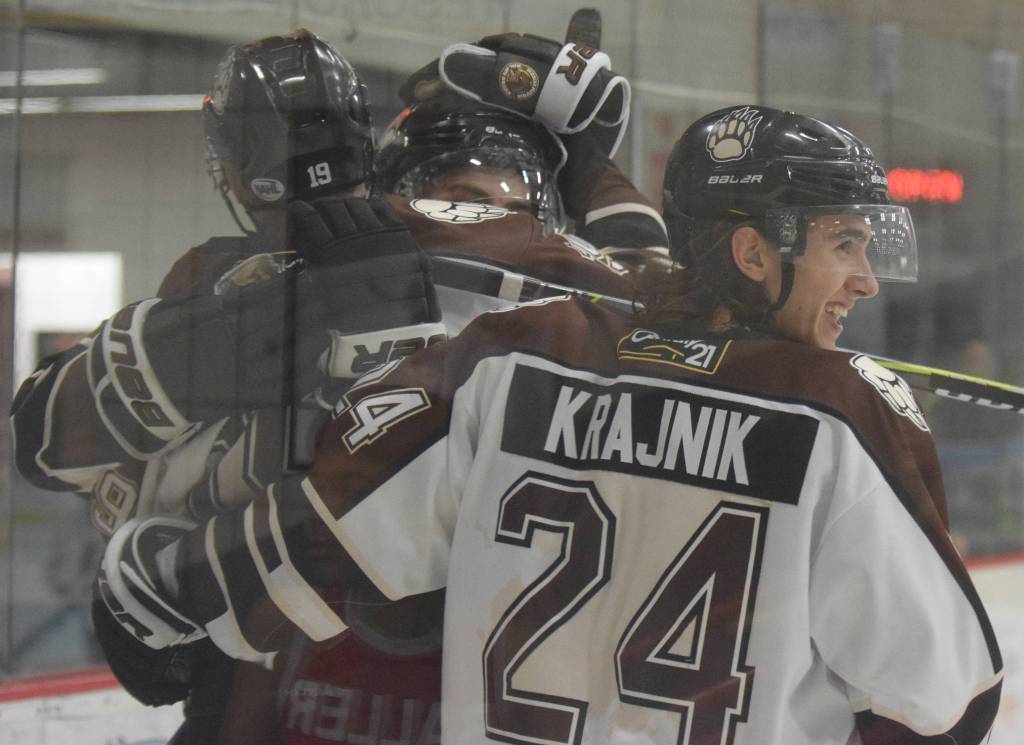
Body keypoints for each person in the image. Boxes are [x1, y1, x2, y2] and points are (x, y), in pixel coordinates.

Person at [95, 104, 1003, 744]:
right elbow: (949, 703)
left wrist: (165, 577)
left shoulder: (512, 358)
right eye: (845, 243)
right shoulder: (841, 411)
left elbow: (325, 542)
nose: (868, 278)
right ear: (753, 250)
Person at [10, 25, 655, 745]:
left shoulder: (583, 331)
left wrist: (163, 575)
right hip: (275, 702)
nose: (470, 218)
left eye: (495, 202)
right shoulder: (256, 280)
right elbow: (45, 437)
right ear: (387, 202)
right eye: (446, 196)